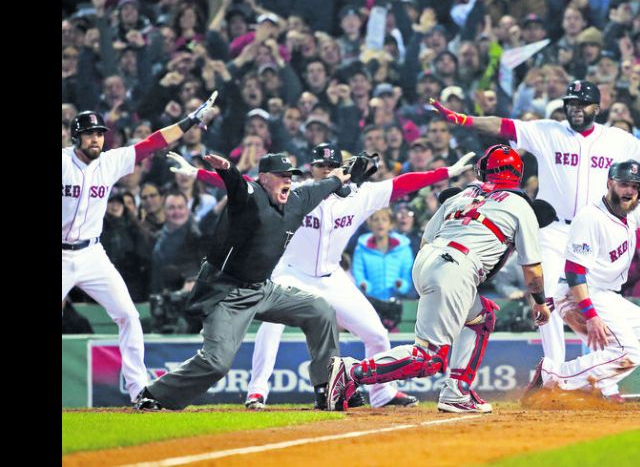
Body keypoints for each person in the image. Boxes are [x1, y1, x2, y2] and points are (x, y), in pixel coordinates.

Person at [168, 143, 474, 410]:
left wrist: (447, 171)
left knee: (377, 334)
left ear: (340, 169)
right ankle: (257, 390)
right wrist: (197, 174)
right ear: (312, 169)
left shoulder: (360, 196)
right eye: (320, 165)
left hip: (332, 276)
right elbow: (243, 185)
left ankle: (382, 392)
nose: (325, 168)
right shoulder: (297, 194)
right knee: (271, 329)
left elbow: (405, 182)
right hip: (291, 272)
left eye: (331, 164)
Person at [429, 79, 640, 366]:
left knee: (593, 302)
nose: (575, 108)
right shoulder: (548, 131)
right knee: (545, 295)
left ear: (596, 108)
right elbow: (501, 125)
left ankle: (597, 375)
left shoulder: (617, 140)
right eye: (571, 103)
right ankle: (554, 368)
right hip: (554, 229)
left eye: (581, 103)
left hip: (595, 229)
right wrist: (461, 119)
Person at [326, 145, 552, 413]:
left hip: (428, 260)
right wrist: (539, 302)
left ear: (483, 170)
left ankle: (457, 391)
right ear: (517, 175)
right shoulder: (520, 204)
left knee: (481, 318)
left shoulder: (463, 195)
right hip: (456, 268)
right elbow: (533, 270)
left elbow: (425, 240)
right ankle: (352, 371)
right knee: (429, 359)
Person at [133, 151, 352, 411]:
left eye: (290, 175)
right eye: (281, 176)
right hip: (226, 292)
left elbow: (322, 186)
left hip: (263, 289)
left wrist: (340, 177)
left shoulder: (297, 199)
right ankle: (154, 394)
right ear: (263, 178)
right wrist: (227, 170)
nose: (288, 180)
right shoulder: (251, 196)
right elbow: (237, 185)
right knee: (216, 363)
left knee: (320, 310)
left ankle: (326, 389)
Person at [62, 92, 217, 404]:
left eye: (99, 134)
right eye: (90, 134)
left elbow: (153, 143)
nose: (96, 139)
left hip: (92, 253)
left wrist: (188, 122)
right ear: (76, 137)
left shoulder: (111, 161)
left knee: (129, 315)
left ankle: (139, 391)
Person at [522, 160, 640, 402]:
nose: (629, 190)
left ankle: (596, 386)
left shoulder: (632, 208)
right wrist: (591, 315)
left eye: (635, 186)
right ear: (610, 183)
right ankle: (555, 375)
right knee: (627, 350)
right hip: (579, 292)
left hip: (605, 293)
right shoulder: (590, 217)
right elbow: (575, 270)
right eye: (624, 184)